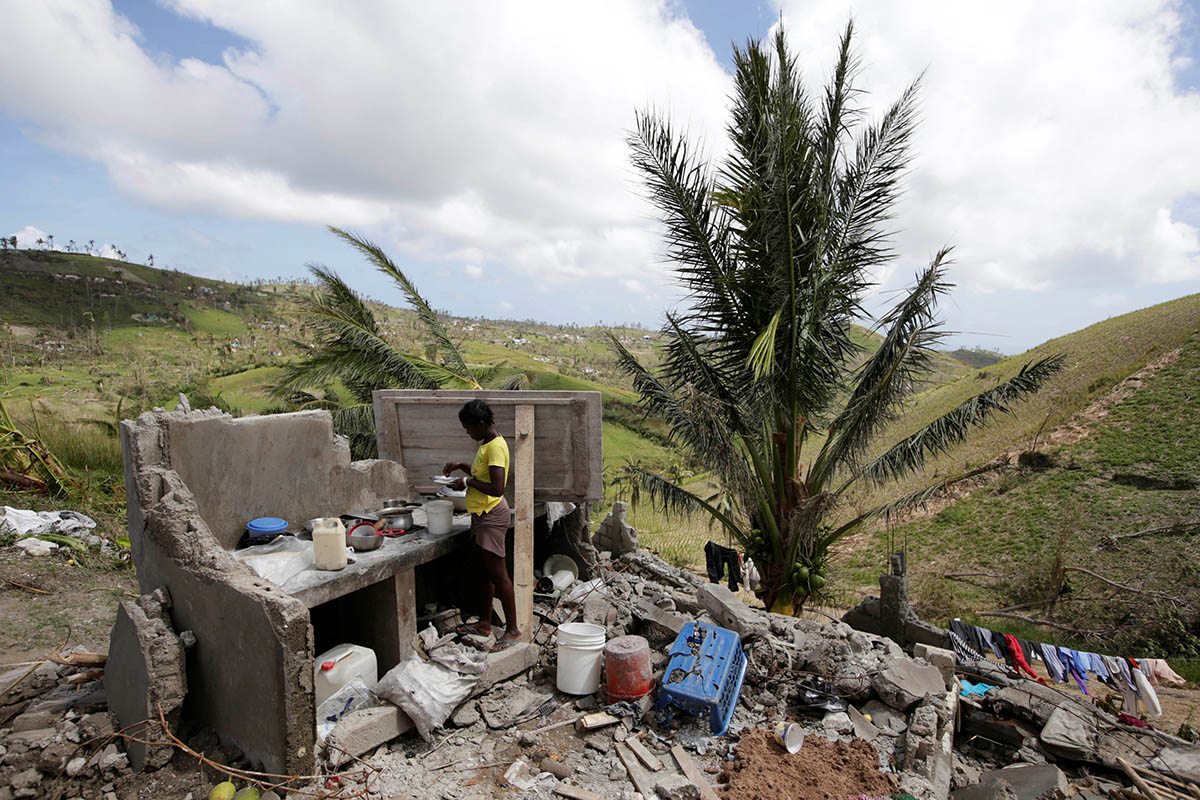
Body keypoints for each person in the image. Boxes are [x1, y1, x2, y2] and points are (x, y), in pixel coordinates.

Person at [442, 399, 520, 651]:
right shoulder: (487, 443)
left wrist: (466, 483)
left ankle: (513, 630)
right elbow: (483, 474)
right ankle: (485, 623)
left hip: (492, 515)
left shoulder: (495, 447)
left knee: (499, 575)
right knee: (486, 572)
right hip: (481, 514)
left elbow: (497, 487)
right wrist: (461, 466)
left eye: (469, 428)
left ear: (482, 424)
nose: (468, 433)